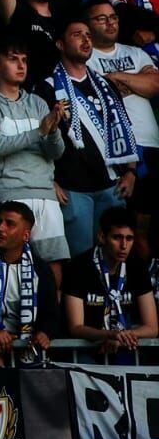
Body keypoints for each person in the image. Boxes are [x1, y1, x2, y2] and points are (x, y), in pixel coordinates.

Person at [37, 16, 140, 258]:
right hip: (73, 189)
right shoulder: (47, 87)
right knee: (80, 260)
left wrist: (131, 172)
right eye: (77, 34)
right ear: (60, 44)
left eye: (88, 35)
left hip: (111, 186)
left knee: (114, 259)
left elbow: (124, 128)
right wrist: (47, 180)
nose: (86, 40)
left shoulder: (105, 85)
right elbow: (39, 139)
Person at [0, 38, 71, 267]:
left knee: (53, 265)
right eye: (13, 59)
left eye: (24, 60)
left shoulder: (37, 102)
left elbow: (56, 153)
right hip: (7, 192)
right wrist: (39, 131)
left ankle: (50, 305)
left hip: (45, 193)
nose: (21, 65)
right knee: (9, 265)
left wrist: (53, 129)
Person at [63, 206, 158, 357]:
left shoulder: (137, 266)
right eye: (117, 238)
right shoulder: (79, 266)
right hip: (88, 352)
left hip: (127, 348)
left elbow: (152, 327)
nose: (124, 246)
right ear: (102, 236)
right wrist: (108, 334)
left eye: (129, 238)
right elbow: (75, 327)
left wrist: (122, 336)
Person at [85, 0, 159, 177]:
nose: (110, 23)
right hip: (118, 148)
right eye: (102, 19)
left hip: (152, 143)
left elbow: (155, 85)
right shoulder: (84, 58)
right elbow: (101, 95)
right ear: (86, 24)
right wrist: (138, 80)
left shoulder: (136, 52)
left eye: (113, 17)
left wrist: (116, 77)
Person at [0, 201, 60, 365]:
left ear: (26, 235)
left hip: (27, 348)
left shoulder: (41, 270)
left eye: (9, 224)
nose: (0, 228)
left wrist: (44, 332)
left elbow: (51, 313)